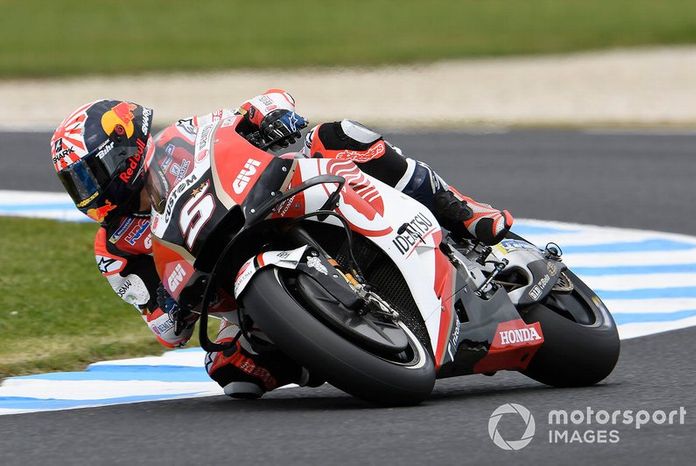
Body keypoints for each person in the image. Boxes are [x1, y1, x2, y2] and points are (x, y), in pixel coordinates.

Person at [50, 90, 513, 398]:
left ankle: (461, 209)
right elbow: (165, 329)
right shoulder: (113, 248)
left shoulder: (186, 134)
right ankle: (334, 349)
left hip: (273, 199)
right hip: (223, 285)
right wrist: (176, 307)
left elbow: (258, 108)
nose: (88, 190)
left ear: (125, 149)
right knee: (230, 373)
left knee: (338, 136)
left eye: (91, 173)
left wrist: (272, 116)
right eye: (77, 182)